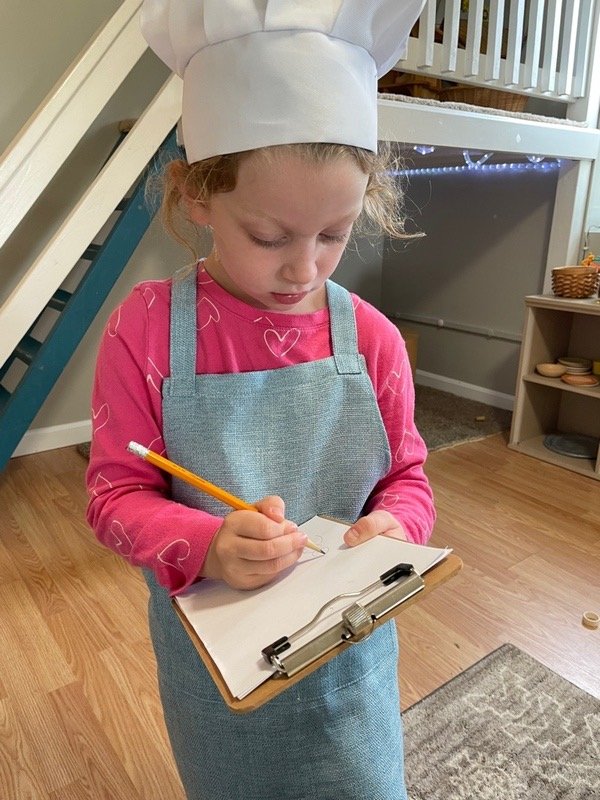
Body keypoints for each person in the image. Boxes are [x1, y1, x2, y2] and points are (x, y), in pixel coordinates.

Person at [86, 2, 434, 798]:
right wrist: (204, 545)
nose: (304, 269)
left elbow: (408, 479)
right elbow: (114, 494)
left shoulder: (373, 339)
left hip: (351, 660)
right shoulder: (144, 331)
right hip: (218, 679)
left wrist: (395, 527)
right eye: (270, 237)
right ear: (198, 195)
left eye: (335, 234)